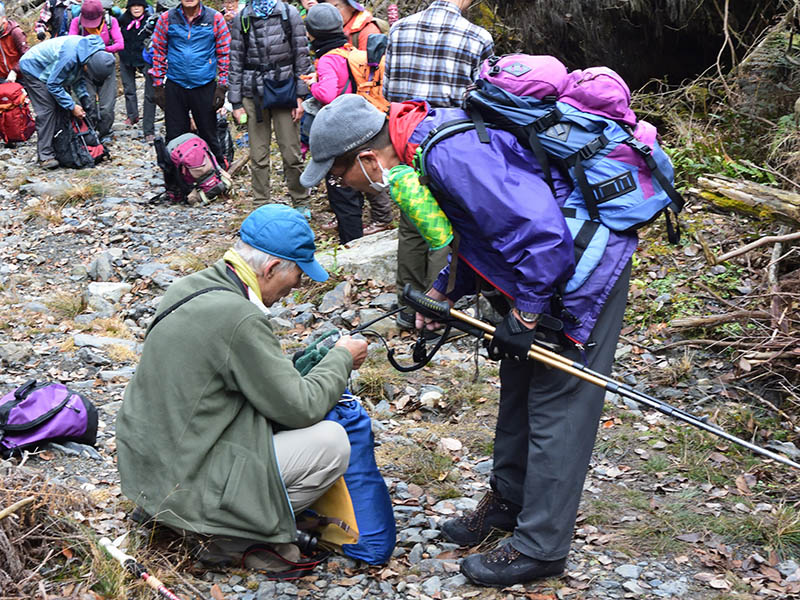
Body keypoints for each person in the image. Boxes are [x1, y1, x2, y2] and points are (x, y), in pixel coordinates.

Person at [301, 94, 635, 587]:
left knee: (558, 406)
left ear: (368, 159)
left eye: (337, 174)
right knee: (519, 388)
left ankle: (540, 546)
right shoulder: (422, 152)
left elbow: (542, 235)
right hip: (539, 278)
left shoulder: (450, 155)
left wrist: (524, 313)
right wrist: (445, 292)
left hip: (581, 274)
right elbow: (481, 232)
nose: (339, 185)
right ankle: (508, 502)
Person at [116, 204, 368, 565]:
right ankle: (229, 536)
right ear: (270, 268)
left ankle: (180, 516)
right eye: (297, 274)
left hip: (149, 475)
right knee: (331, 443)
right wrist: (341, 357)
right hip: (185, 484)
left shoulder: (189, 286)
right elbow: (302, 408)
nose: (297, 285)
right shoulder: (240, 317)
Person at [383, 0, 493, 330]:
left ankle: (407, 305)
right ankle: (434, 309)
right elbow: (483, 98)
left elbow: (388, 90)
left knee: (412, 220)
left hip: (403, 136)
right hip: (450, 145)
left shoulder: (399, 28)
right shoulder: (477, 37)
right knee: (447, 228)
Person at [303, 2, 392, 243]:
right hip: (359, 121)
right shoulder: (346, 50)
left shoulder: (327, 58)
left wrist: (313, 85)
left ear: (312, 33)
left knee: (342, 189)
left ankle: (351, 241)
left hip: (340, 127)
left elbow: (329, 94)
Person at [228, 0, 311, 208]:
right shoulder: (243, 17)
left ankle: (300, 201)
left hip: (285, 90)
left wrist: (300, 96)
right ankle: (261, 203)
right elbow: (235, 60)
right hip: (253, 93)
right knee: (258, 154)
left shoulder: (288, 13)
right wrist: (236, 102)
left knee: (291, 153)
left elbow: (302, 56)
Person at [149, 0, 231, 165]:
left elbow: (225, 53)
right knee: (174, 136)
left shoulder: (215, 18)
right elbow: (158, 52)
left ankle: (217, 176)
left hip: (204, 85)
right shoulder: (166, 18)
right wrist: (158, 85)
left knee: (209, 134)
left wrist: (222, 85)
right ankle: (177, 182)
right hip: (175, 85)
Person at [18, 35, 115, 169]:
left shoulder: (90, 55)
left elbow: (77, 78)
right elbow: (53, 85)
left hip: (52, 73)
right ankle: (45, 156)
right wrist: (72, 105)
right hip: (34, 68)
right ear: (88, 65)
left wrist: (84, 98)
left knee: (63, 108)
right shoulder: (70, 57)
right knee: (48, 110)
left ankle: (62, 150)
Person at [68, 0, 124, 141]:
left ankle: (105, 132)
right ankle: (89, 132)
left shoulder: (111, 22)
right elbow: (70, 43)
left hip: (106, 67)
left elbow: (120, 44)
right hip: (85, 68)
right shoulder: (77, 22)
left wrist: (101, 50)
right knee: (88, 101)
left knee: (107, 105)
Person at [118, 0, 157, 141]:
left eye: (139, 6)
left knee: (150, 93)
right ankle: (132, 115)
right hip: (126, 57)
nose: (136, 9)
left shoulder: (150, 21)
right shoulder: (122, 21)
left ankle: (148, 128)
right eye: (133, 6)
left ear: (144, 7)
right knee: (129, 88)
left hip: (145, 58)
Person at [0, 2, 29, 82]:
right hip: (2, 78)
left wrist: (15, 71)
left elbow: (26, 55)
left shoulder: (15, 32)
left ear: (3, 18)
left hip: (20, 76)